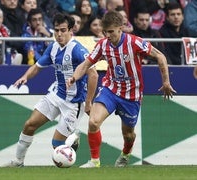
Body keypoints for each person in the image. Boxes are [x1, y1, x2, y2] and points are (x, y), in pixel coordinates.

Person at [66, 10, 176, 168]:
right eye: (105, 32)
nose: (108, 35)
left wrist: (166, 82)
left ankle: (125, 153)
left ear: (121, 28)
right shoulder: (103, 44)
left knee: (128, 134)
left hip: (132, 95)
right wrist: (74, 77)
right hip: (110, 89)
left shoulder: (134, 42)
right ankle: (94, 161)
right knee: (93, 122)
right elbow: (86, 64)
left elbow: (160, 56)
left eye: (111, 32)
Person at [4, 13, 98, 167]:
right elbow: (38, 66)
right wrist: (26, 77)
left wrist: (88, 102)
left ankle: (72, 139)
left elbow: (93, 74)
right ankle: (18, 161)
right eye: (56, 30)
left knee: (57, 145)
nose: (59, 34)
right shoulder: (53, 48)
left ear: (70, 31)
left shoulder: (77, 50)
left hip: (74, 102)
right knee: (29, 125)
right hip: (56, 95)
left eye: (63, 30)